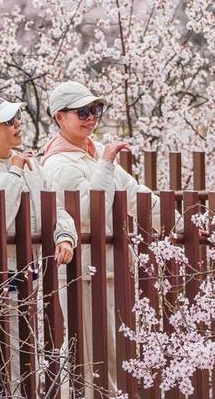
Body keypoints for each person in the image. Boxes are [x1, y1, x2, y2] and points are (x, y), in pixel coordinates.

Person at [41, 80, 181, 394]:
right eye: (82, 112)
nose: (91, 117)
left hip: (110, 271)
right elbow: (88, 212)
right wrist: (105, 164)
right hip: (83, 274)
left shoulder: (92, 153)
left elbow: (136, 196)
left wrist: (183, 225)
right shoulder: (58, 164)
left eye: (95, 110)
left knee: (117, 357)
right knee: (90, 358)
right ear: (60, 117)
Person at [0, 94, 77, 392]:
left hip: (28, 279)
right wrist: (13, 172)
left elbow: (53, 207)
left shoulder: (31, 165)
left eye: (17, 118)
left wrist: (65, 236)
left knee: (24, 361)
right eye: (9, 122)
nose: (18, 124)